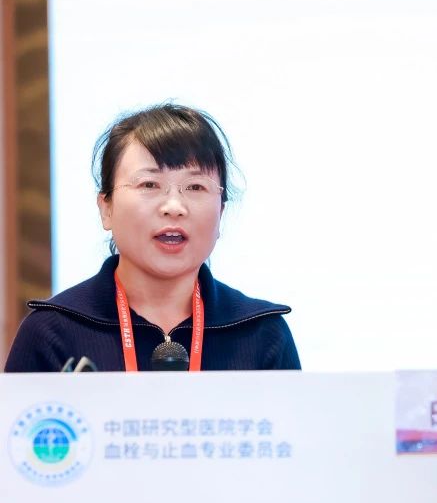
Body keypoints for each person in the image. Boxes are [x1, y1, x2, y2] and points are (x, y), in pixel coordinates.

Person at [5, 104, 300, 372]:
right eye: (149, 184)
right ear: (106, 208)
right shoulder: (53, 332)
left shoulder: (262, 333)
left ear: (220, 212)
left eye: (195, 187)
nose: (174, 207)